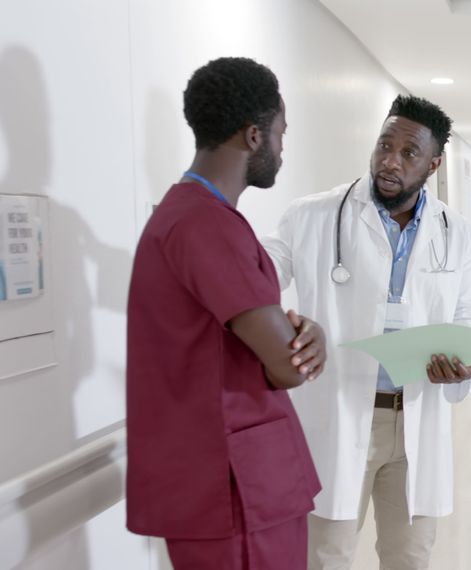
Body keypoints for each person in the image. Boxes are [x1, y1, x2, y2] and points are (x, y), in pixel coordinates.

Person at [261, 94, 471, 570]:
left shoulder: (456, 231)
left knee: (410, 557)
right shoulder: (313, 216)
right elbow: (255, 275)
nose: (390, 161)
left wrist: (468, 362)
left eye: (409, 153)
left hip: (417, 416)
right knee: (328, 555)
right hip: (341, 413)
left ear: (433, 164)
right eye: (385, 145)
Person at [126, 57, 325, 570]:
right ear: (254, 136)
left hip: (226, 483)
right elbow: (289, 365)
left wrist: (300, 335)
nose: (283, 149)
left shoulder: (189, 216)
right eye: (281, 134)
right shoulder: (206, 226)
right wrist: (308, 342)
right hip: (236, 491)